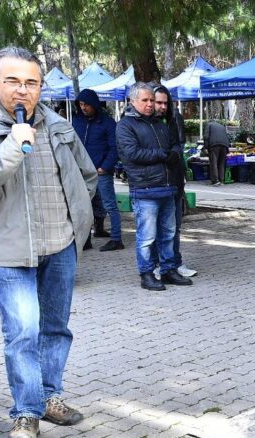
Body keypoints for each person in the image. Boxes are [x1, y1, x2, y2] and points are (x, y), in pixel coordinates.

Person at [0, 46, 98, 438]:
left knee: (56, 329)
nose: (23, 90)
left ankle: (50, 397)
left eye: (31, 82)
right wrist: (12, 146)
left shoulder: (57, 124)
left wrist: (76, 226)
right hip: (10, 251)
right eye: (13, 81)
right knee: (22, 332)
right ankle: (26, 414)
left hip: (60, 245)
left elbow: (87, 176)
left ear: (40, 88)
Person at [116, 82, 192, 291]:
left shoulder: (160, 124)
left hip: (167, 187)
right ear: (133, 102)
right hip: (145, 189)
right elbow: (131, 154)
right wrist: (162, 155)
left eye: (152, 100)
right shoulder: (125, 125)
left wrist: (175, 153)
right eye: (145, 100)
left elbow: (174, 144)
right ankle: (147, 273)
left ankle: (169, 269)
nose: (150, 104)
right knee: (146, 237)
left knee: (168, 233)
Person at [72, 88, 123, 252]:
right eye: (81, 104)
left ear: (94, 104)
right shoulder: (76, 122)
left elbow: (115, 148)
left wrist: (105, 167)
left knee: (109, 205)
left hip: (101, 172)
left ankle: (116, 239)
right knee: (84, 206)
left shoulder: (108, 123)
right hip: (81, 172)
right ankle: (86, 239)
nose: (84, 107)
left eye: (87, 104)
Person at [153, 85, 195, 277]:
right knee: (152, 230)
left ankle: (174, 263)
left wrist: (173, 156)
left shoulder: (174, 118)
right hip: (153, 184)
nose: (161, 106)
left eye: (165, 102)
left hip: (174, 182)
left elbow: (179, 145)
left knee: (174, 228)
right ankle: (154, 265)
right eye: (158, 102)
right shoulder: (142, 122)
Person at [203, 119, 231, 187]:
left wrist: (206, 147)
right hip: (224, 145)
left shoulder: (209, 125)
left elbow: (206, 136)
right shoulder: (221, 126)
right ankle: (221, 180)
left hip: (214, 145)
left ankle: (215, 180)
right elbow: (227, 137)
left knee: (214, 162)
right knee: (221, 163)